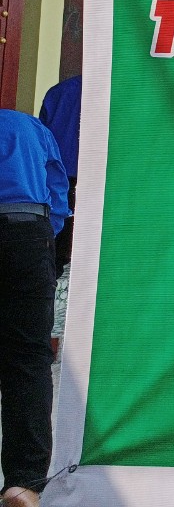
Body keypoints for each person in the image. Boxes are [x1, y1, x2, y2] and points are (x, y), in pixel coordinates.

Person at [0, 109, 71, 507]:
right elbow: (58, 189)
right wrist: (47, 237)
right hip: (28, 234)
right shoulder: (27, 126)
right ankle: (23, 483)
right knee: (28, 358)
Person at [38, 76, 80, 357]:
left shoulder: (59, 92)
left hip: (59, 183)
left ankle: (48, 339)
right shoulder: (119, 88)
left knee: (53, 264)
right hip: (100, 182)